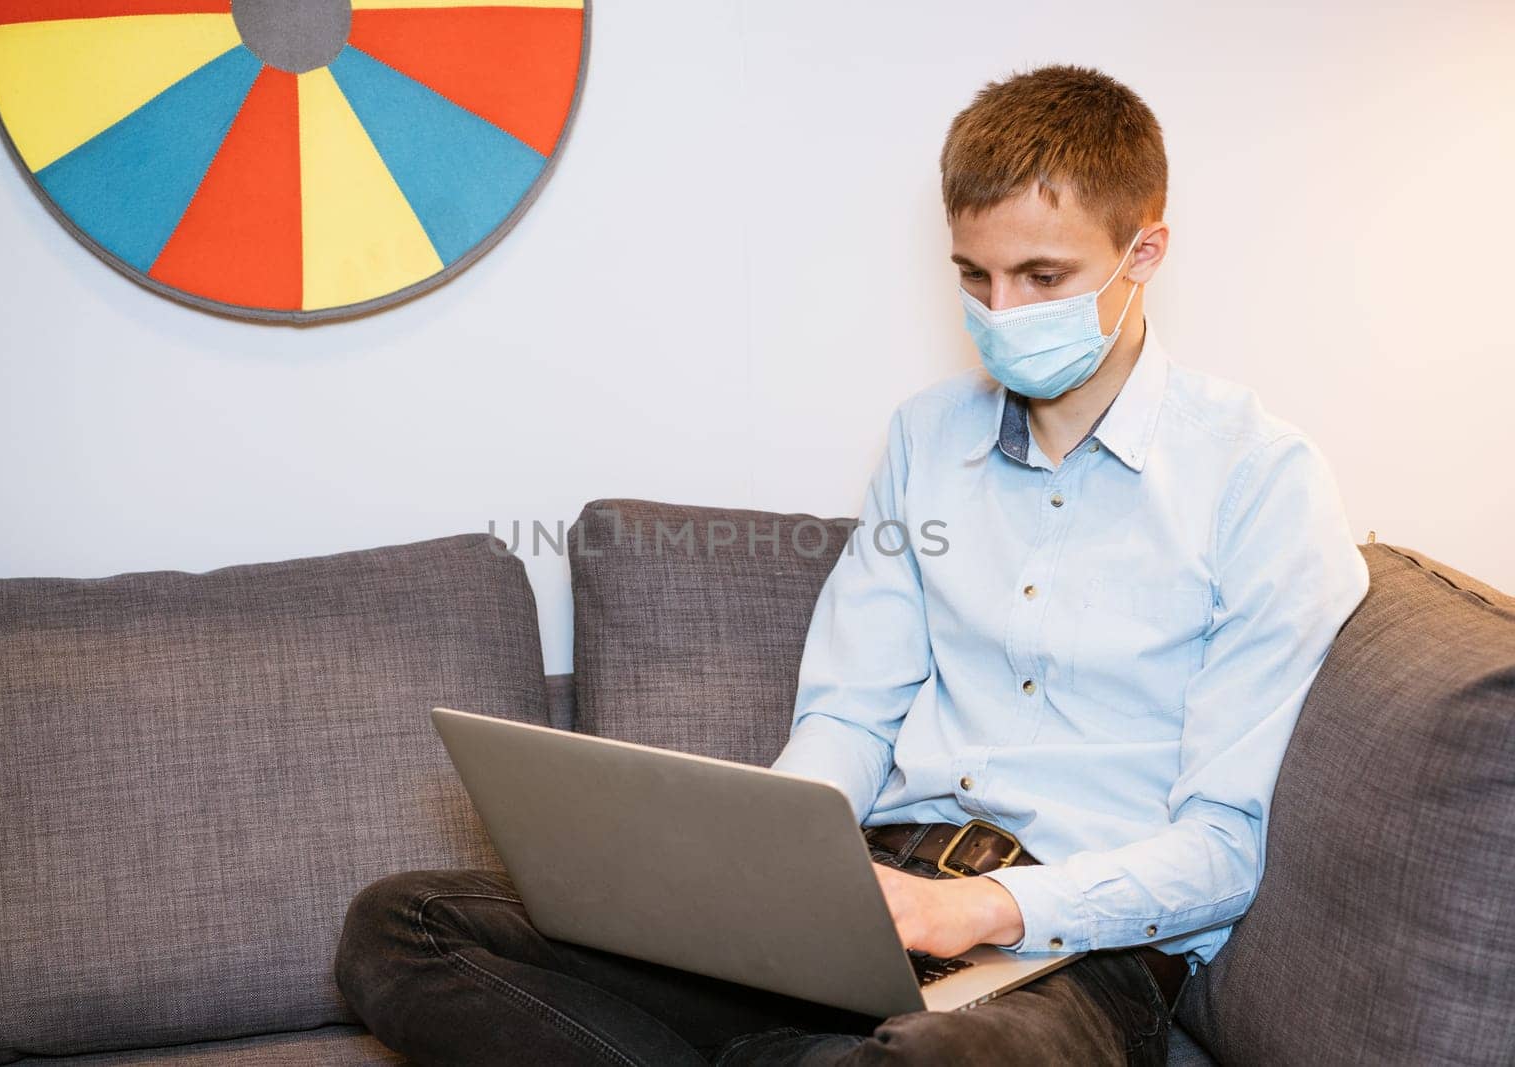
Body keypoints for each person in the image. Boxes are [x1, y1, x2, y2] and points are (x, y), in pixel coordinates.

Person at [334, 63, 1370, 1065]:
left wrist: (976, 906)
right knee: (404, 924)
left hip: (1068, 953)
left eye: (1041, 277)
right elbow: (850, 712)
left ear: (1144, 251)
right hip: (869, 888)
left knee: (928, 1059)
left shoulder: (1258, 479)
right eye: (974, 275)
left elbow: (1223, 847)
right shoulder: (926, 437)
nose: (1000, 312)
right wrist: (780, 877)